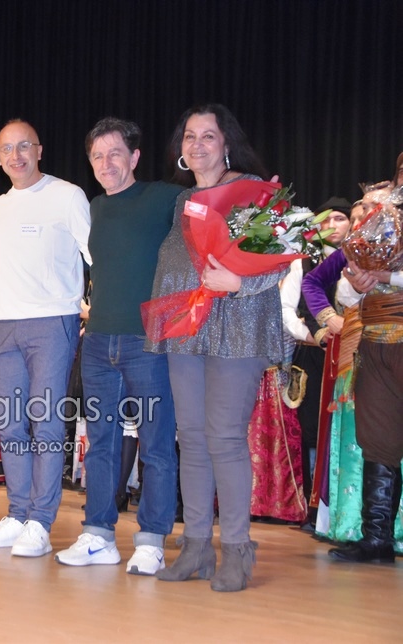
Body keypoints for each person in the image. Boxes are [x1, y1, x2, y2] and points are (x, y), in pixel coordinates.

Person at [145, 104, 282, 592]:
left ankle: (238, 549)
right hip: (189, 330)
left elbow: (279, 261)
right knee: (191, 437)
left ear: (227, 143)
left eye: (208, 135)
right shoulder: (183, 201)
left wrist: (238, 284)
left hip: (238, 329)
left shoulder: (251, 191)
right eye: (190, 136)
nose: (198, 144)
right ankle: (197, 545)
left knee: (224, 437)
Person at [54, 117, 180, 574]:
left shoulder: (164, 197)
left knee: (156, 443)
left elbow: (213, 211)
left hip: (147, 342)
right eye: (97, 156)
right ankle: (98, 534)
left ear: (135, 157)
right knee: (100, 444)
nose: (106, 163)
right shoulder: (96, 208)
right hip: (98, 342)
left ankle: (151, 540)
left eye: (115, 153)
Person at [0, 119, 91, 557]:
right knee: (9, 425)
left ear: (39, 150)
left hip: (52, 322)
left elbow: (96, 254)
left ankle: (40, 521)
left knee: (46, 423)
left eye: (24, 146)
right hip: (3, 325)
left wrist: (94, 306)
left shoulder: (68, 195)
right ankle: (18, 513)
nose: (16, 155)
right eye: (7, 149)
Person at [326, 187, 403, 562]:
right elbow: (345, 295)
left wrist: (389, 276)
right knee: (378, 439)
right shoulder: (378, 229)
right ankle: (377, 539)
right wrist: (358, 281)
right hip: (374, 343)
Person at [277, 197, 354, 525]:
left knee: (347, 428)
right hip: (312, 355)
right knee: (311, 430)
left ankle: (346, 506)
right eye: (326, 219)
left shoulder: (362, 259)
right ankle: (313, 508)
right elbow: (285, 309)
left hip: (354, 355)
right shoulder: (304, 262)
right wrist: (312, 335)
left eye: (340, 218)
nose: (332, 225)